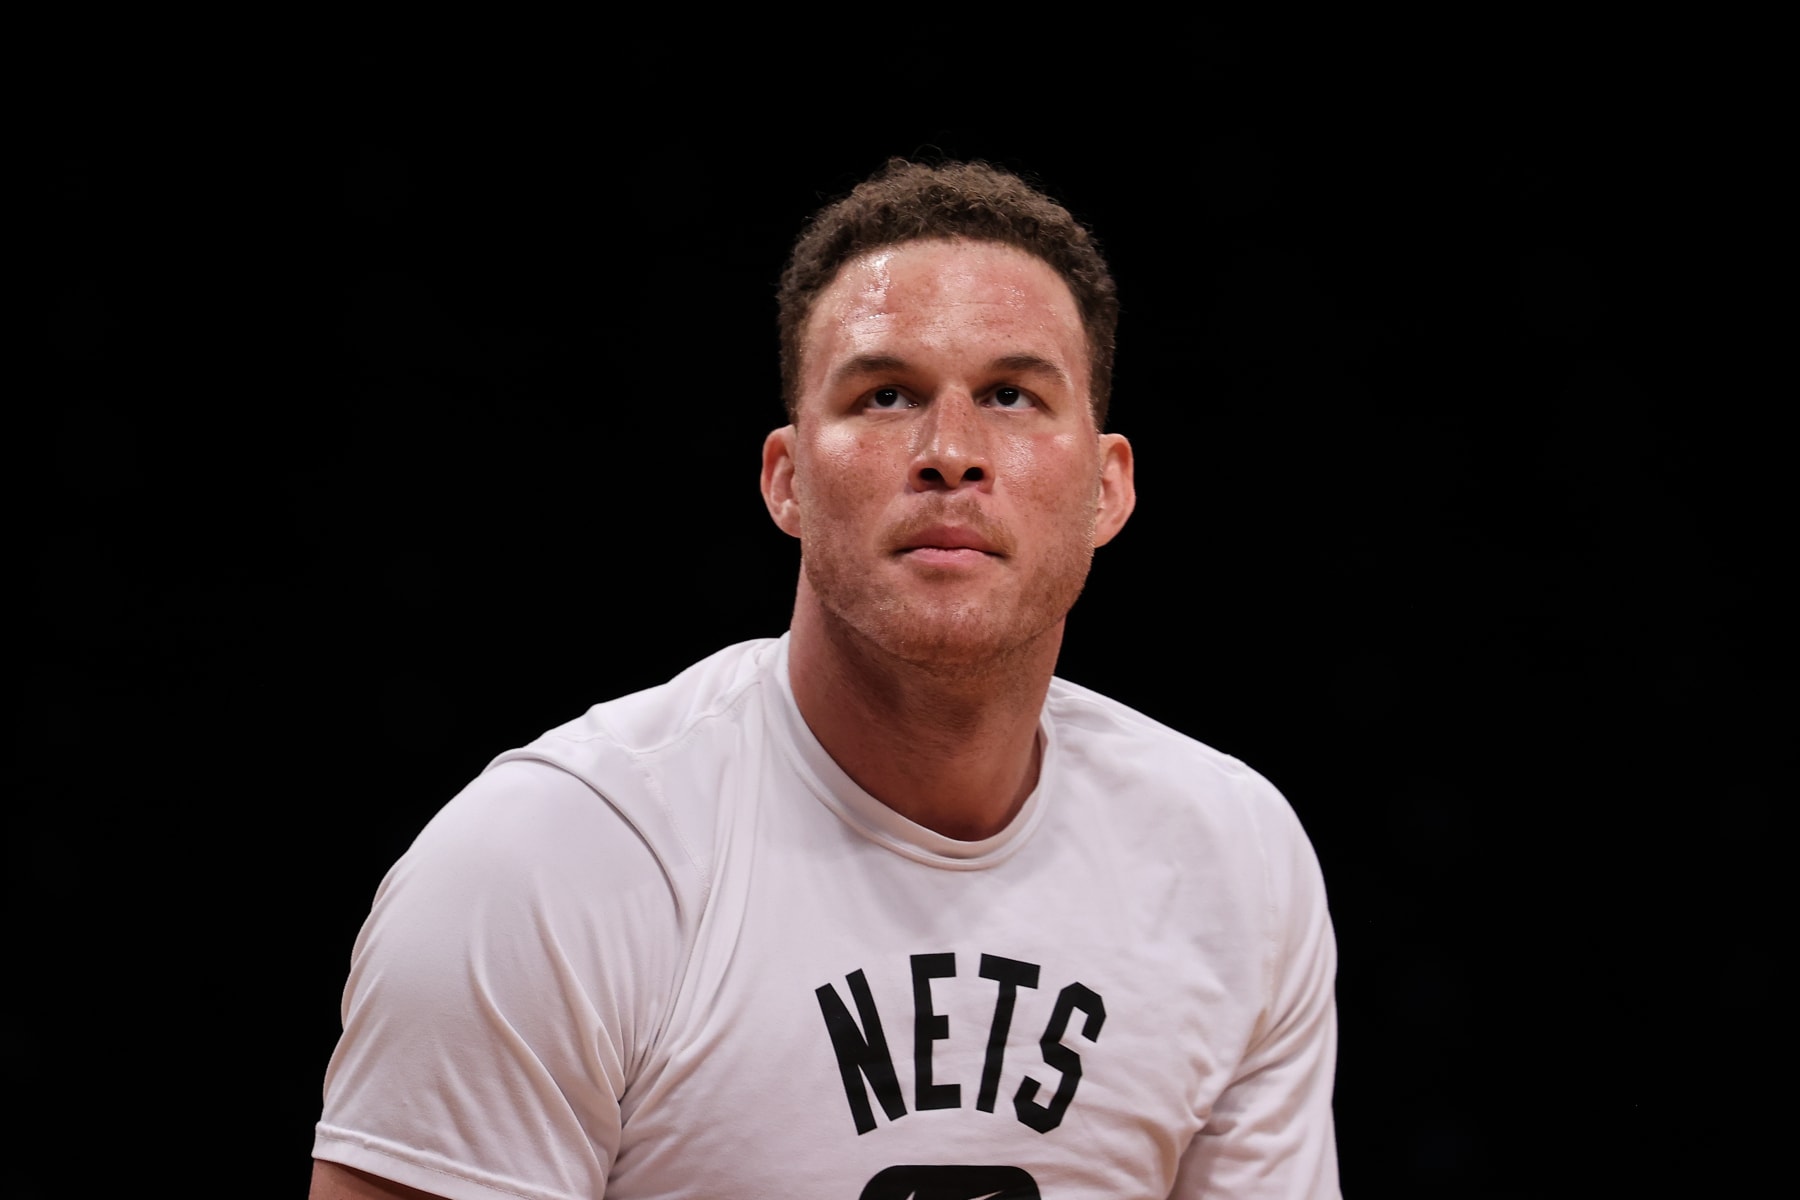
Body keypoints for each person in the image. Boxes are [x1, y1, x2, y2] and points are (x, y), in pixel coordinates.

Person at [308, 157, 1341, 1199]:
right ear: (787, 478)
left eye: (1012, 396)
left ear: (1108, 488)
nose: (951, 452)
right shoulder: (548, 864)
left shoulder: (1233, 861)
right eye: (886, 394)